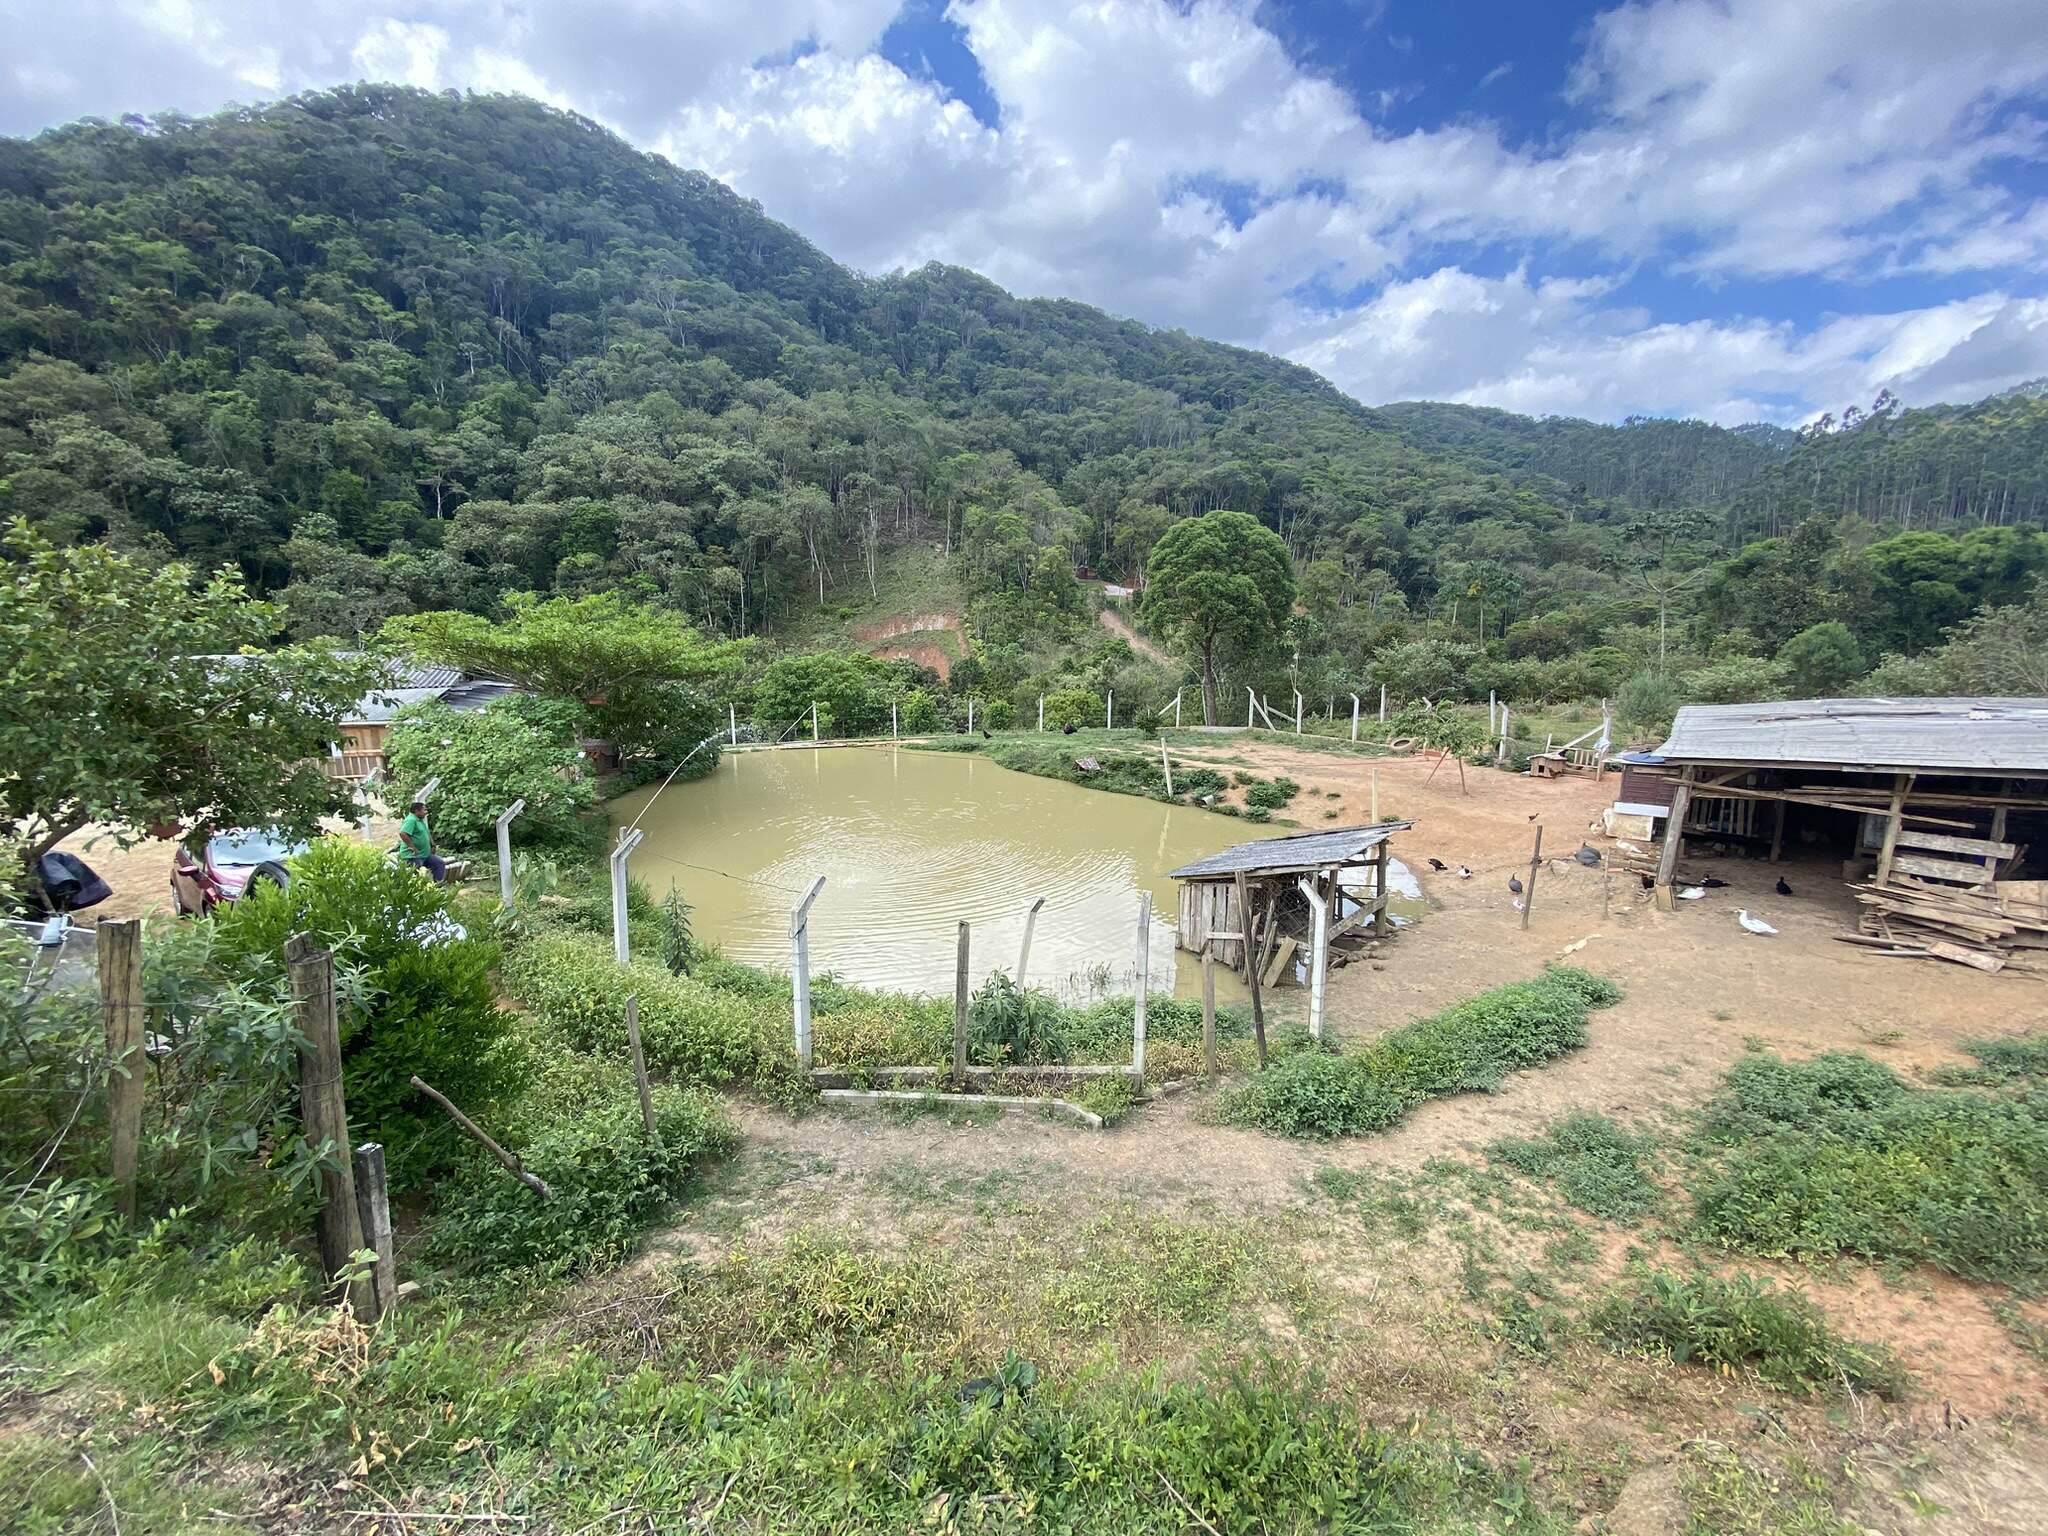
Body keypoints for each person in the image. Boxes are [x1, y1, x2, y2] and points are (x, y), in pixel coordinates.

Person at [399, 799, 447, 883]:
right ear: (417, 811)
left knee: (439, 863)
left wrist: (432, 845)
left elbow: (426, 833)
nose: (426, 812)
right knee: (416, 876)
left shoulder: (419, 820)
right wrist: (412, 847)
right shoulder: (411, 820)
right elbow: (403, 833)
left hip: (424, 854)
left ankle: (437, 887)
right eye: (424, 810)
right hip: (413, 856)